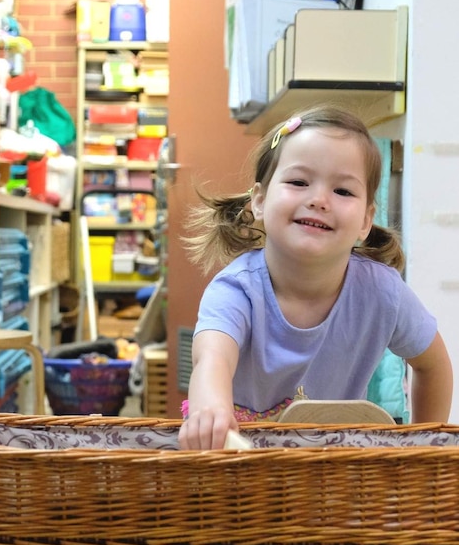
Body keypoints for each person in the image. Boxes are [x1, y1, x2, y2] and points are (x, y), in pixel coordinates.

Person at [178, 106, 453, 451]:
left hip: (331, 471)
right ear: (260, 201)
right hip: (240, 466)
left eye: (343, 191)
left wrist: (423, 447)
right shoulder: (236, 290)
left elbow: (434, 367)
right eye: (298, 182)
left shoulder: (384, 292)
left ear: (366, 221)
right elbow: (212, 358)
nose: (319, 200)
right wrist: (210, 408)